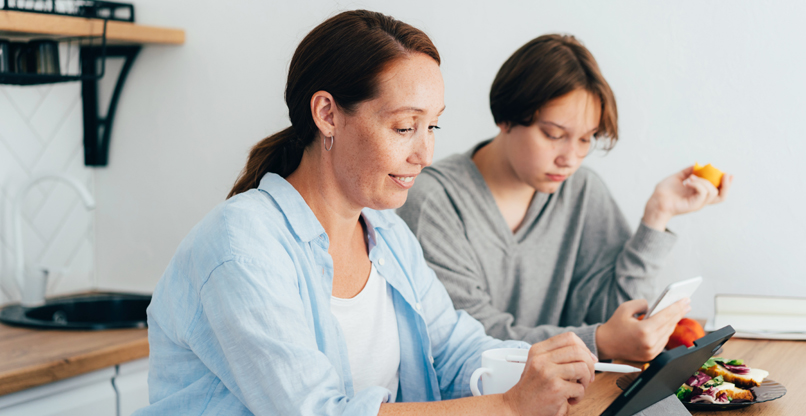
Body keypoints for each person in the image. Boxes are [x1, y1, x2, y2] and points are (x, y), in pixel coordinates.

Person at [134, 12, 598, 416]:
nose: (425, 153)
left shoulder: (387, 235)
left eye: (431, 126)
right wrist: (509, 408)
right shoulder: (241, 246)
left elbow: (456, 353)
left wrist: (558, 367)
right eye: (404, 127)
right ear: (328, 115)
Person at [398, 34, 733, 363]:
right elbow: (470, 339)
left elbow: (619, 317)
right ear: (505, 118)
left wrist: (657, 217)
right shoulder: (434, 201)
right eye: (553, 135)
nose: (570, 158)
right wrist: (598, 341)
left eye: (586, 139)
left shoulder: (581, 190)